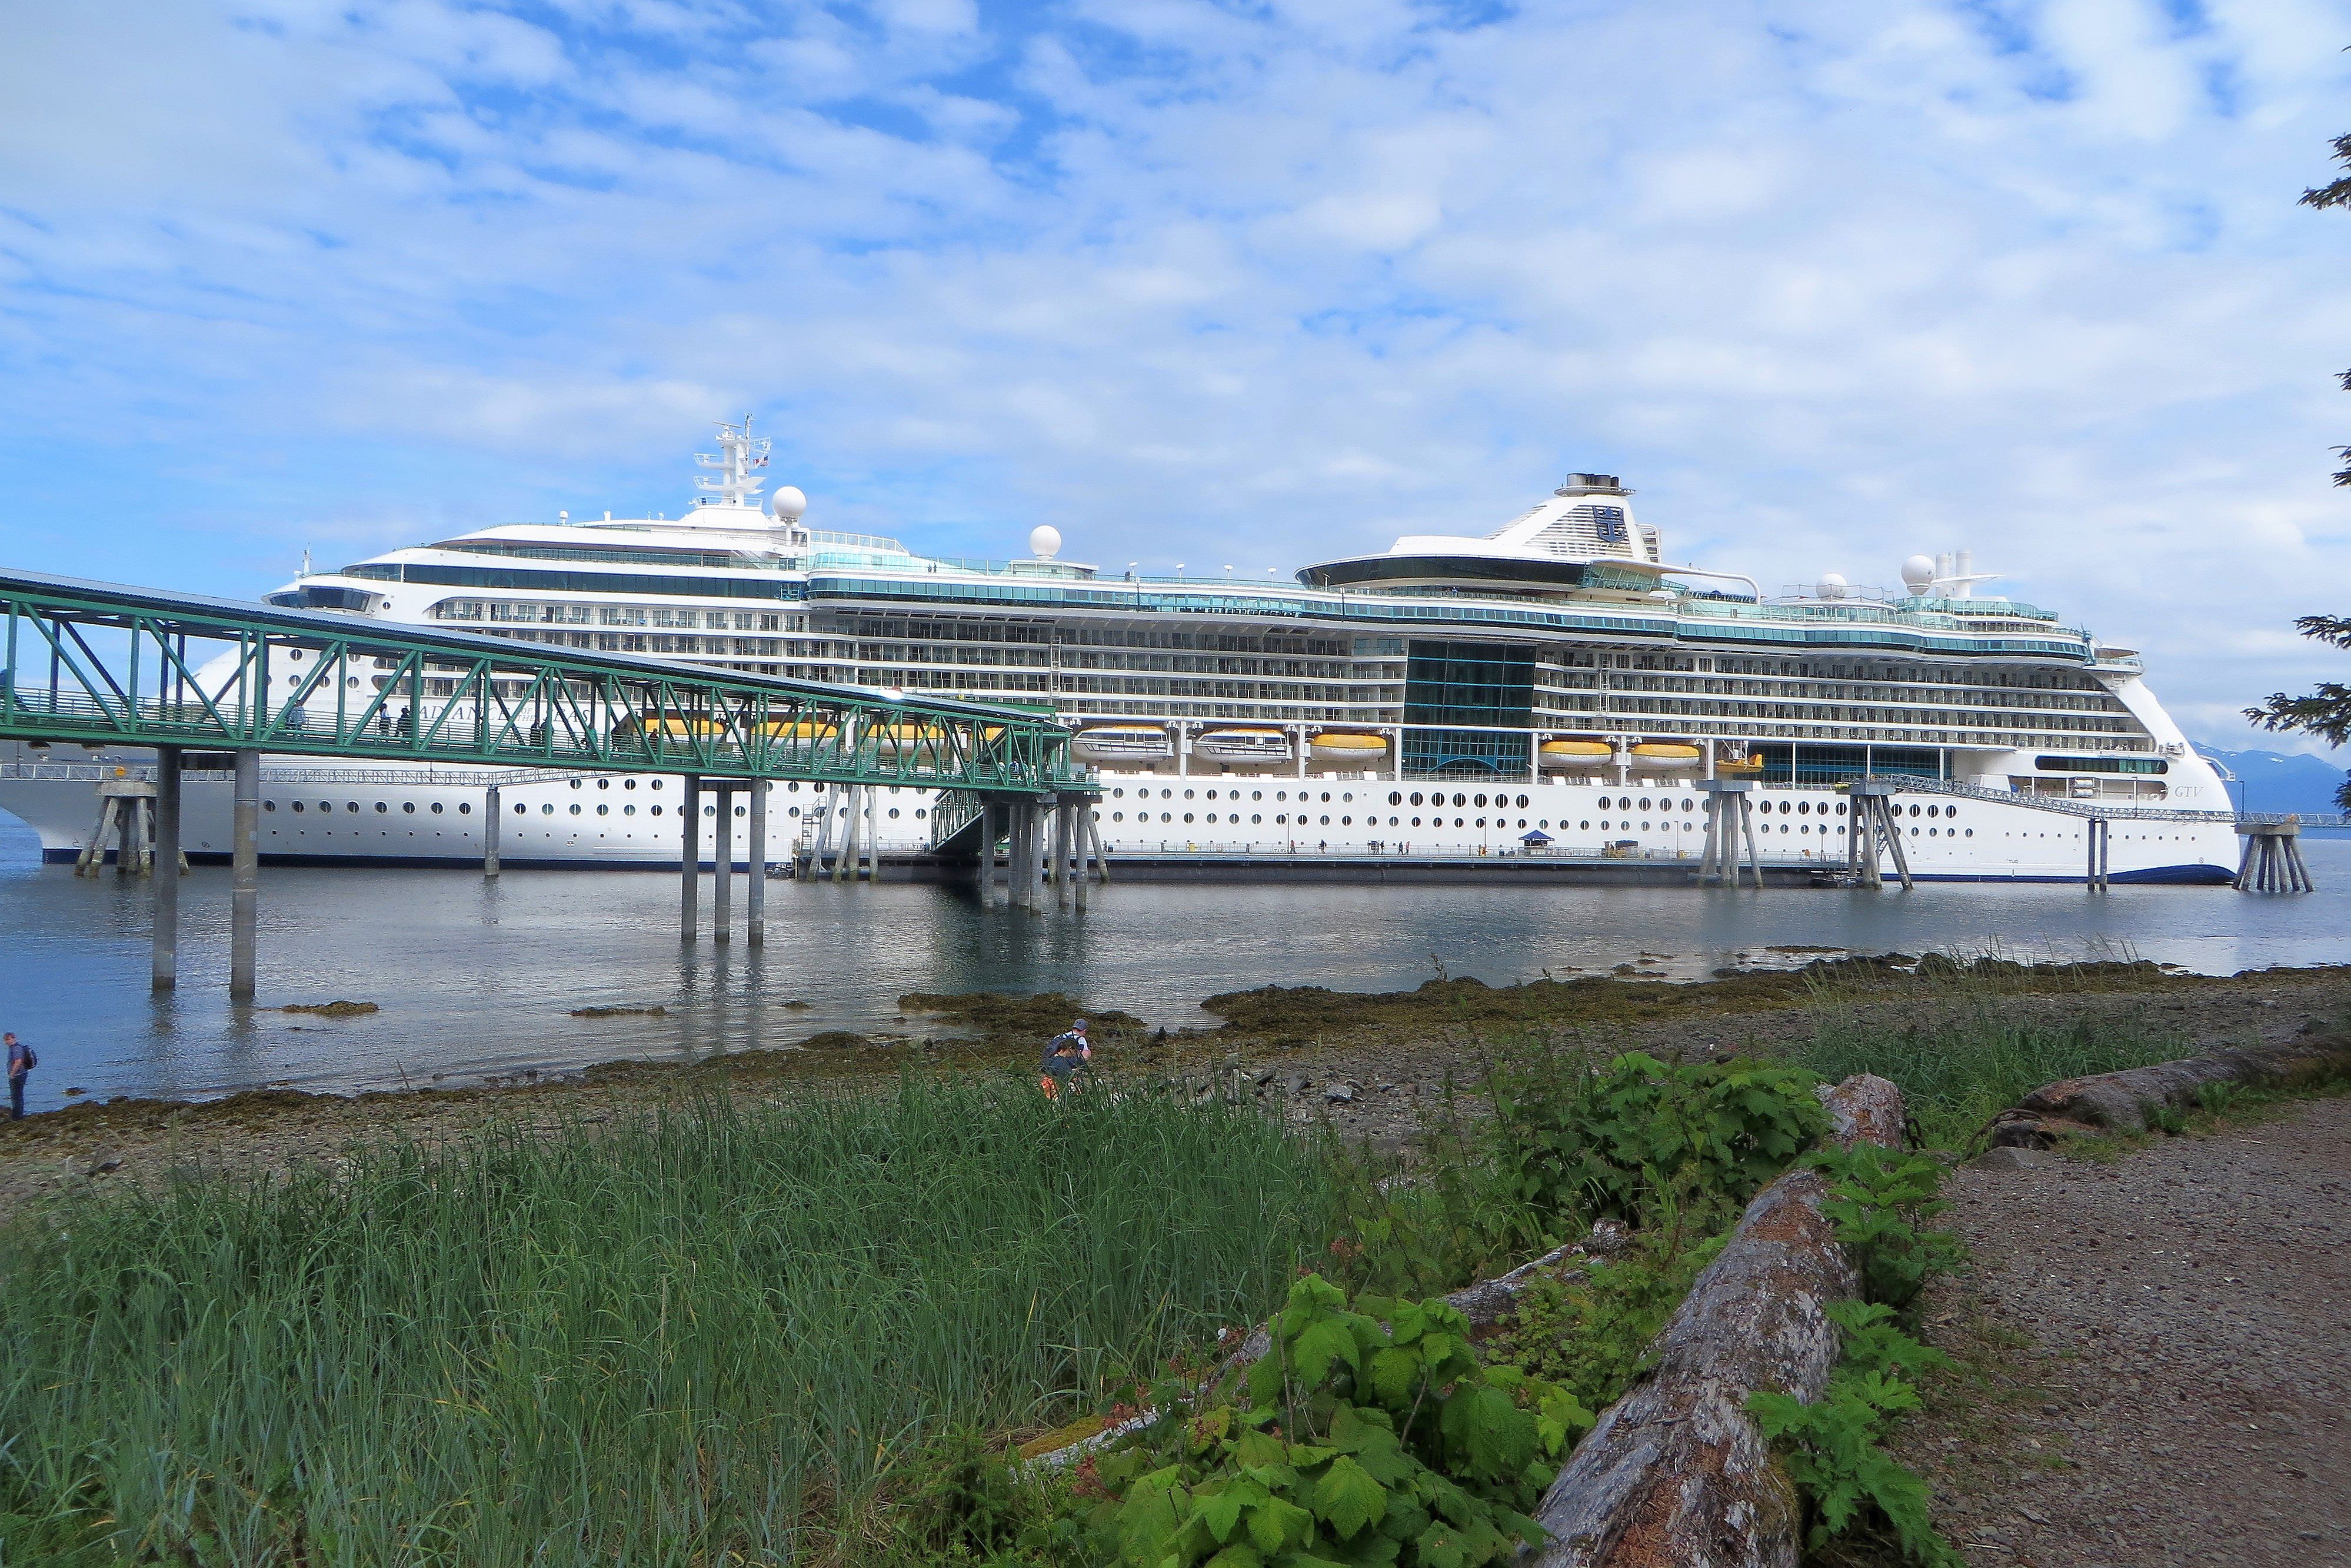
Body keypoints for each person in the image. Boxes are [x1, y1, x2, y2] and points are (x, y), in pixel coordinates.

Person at [1037, 1018, 1091, 1100]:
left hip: (1049, 1074)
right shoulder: (1081, 1039)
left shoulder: (1059, 1036)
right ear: (1085, 1031)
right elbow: (1085, 1055)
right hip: (1063, 1075)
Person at [5, 1033, 32, 1121]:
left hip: (18, 1075)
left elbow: (18, 1062)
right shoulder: (13, 1048)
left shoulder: (16, 1048)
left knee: (16, 1096)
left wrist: (12, 1074)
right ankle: (18, 1114)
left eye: (9, 1039)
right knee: (17, 1095)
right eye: (6, 1040)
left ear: (14, 1039)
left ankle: (17, 1116)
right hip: (19, 1074)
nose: (7, 1042)